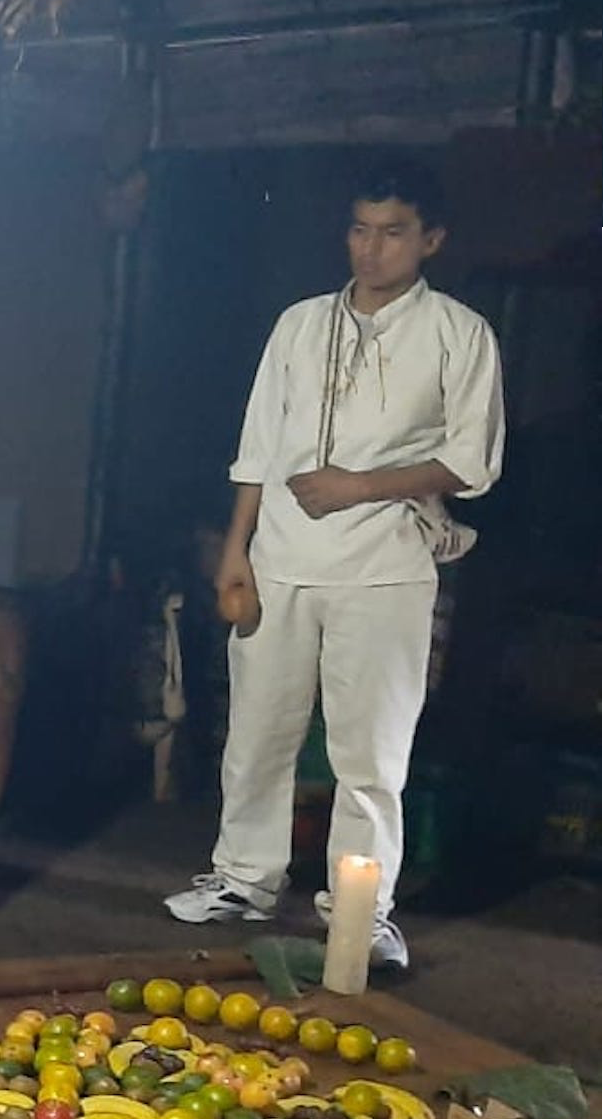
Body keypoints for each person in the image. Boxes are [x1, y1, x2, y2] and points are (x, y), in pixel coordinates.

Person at [164, 160, 503, 971]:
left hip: (386, 564)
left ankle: (365, 907)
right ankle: (244, 875)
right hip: (281, 556)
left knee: (371, 750)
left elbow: (472, 461)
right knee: (257, 728)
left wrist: (363, 485)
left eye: (392, 233)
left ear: (431, 240)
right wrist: (235, 552)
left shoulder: (459, 333)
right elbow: (258, 446)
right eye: (360, 229)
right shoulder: (302, 323)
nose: (372, 249)